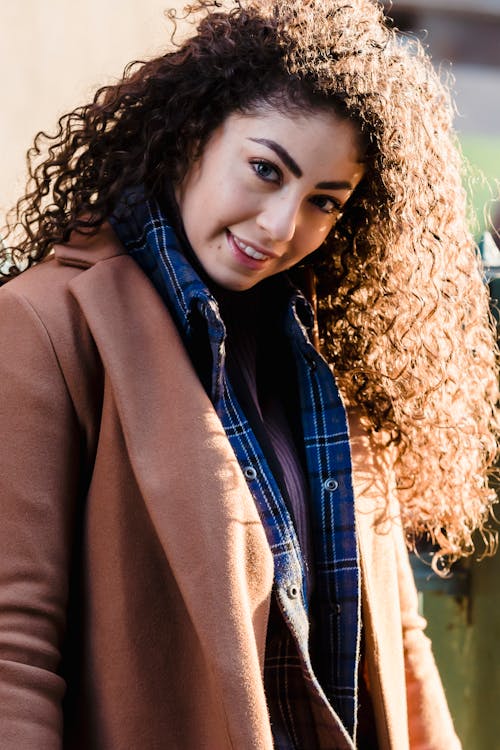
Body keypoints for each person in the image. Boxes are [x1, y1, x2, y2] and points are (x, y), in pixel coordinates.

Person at [0, 1, 498, 748]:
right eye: (265, 170)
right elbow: (15, 650)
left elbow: (399, 639)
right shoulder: (46, 325)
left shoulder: (335, 348)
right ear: (190, 133)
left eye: (323, 202)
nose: (279, 226)